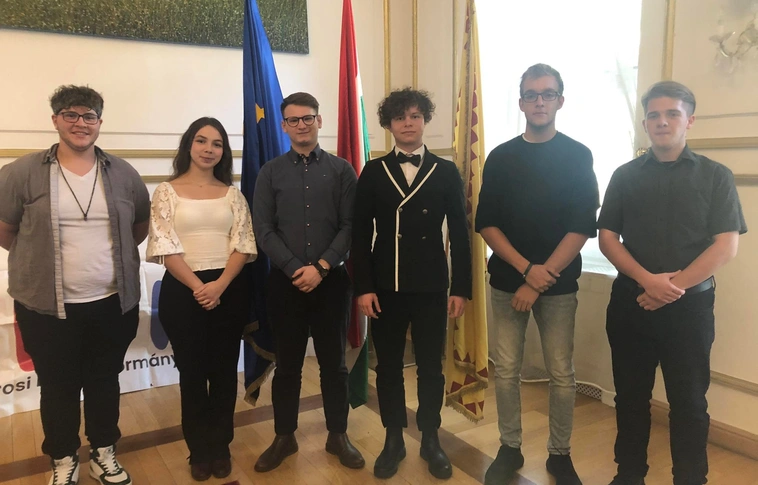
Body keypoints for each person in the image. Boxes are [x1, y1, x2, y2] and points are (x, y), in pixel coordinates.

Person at [0, 85, 150, 485]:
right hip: (46, 308)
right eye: (71, 114)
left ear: (100, 122)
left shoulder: (124, 173)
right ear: (55, 120)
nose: (80, 123)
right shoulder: (20, 172)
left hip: (112, 304)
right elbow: (6, 230)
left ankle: (104, 452)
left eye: (89, 116)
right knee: (57, 386)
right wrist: (38, 259)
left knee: (104, 381)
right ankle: (64, 458)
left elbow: (138, 227)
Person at [598, 81, 746, 485]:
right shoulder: (624, 175)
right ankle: (629, 475)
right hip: (631, 304)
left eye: (672, 114)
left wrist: (670, 288)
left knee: (689, 403)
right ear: (645, 123)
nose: (662, 122)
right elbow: (607, 238)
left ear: (689, 120)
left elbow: (725, 245)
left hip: (690, 310)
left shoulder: (716, 176)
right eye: (654, 115)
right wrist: (648, 281)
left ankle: (691, 478)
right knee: (630, 398)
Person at [477, 64, 599, 485]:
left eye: (547, 94)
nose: (539, 101)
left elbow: (582, 224)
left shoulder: (578, 155)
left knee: (561, 373)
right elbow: (487, 223)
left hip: (559, 285)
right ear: (521, 103)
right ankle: (509, 448)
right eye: (531, 94)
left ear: (560, 100)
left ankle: (559, 455)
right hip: (507, 281)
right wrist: (527, 271)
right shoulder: (501, 157)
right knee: (506, 370)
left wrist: (541, 276)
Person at [352, 87, 472, 480]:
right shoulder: (373, 172)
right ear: (389, 124)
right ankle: (393, 438)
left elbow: (460, 233)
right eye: (400, 117)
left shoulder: (445, 171)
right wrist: (363, 287)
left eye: (416, 116)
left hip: (431, 286)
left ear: (425, 121)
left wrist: (461, 287)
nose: (408, 123)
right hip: (385, 285)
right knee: (387, 367)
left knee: (430, 368)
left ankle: (431, 438)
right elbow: (359, 235)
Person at [252, 92, 364, 472]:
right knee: (288, 366)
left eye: (308, 118)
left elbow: (350, 226)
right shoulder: (269, 173)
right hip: (286, 285)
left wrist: (322, 266)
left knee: (335, 365)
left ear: (319, 121)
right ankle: (284, 437)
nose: (301, 125)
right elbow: (263, 229)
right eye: (293, 120)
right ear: (283, 125)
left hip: (332, 283)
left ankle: (338, 435)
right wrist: (294, 268)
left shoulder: (342, 171)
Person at [146, 117, 257, 481]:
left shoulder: (233, 195)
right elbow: (164, 245)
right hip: (183, 291)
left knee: (224, 374)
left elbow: (244, 244)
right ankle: (199, 451)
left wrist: (219, 285)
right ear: (189, 145)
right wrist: (199, 286)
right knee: (192, 375)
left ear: (224, 151)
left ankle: (220, 447)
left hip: (228, 289)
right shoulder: (166, 192)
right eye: (202, 141)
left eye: (217, 143)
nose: (209, 149)